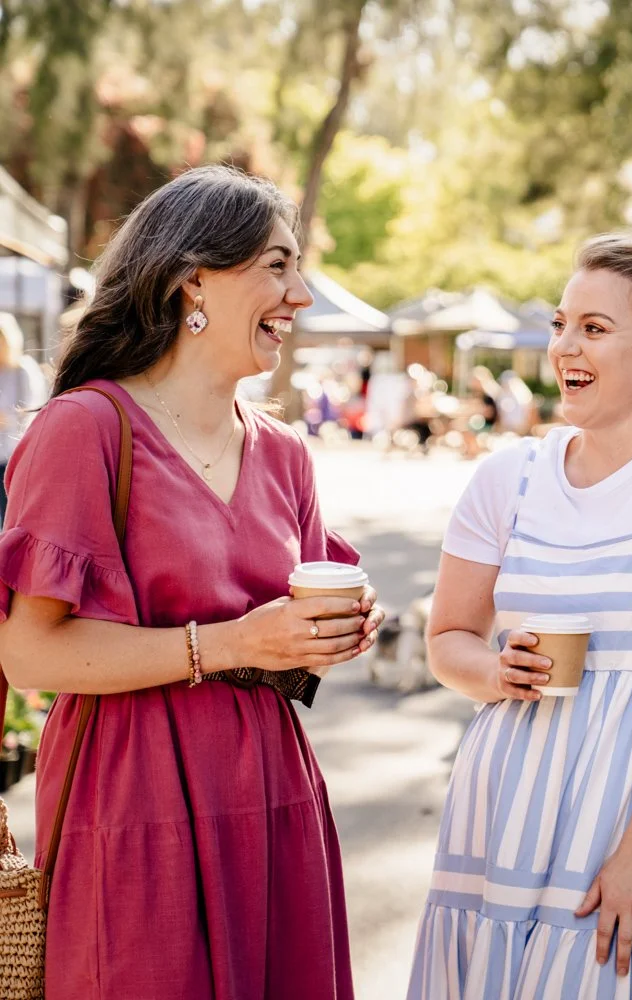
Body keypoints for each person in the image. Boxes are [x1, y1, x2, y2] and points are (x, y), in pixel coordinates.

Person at [0, 165, 386, 999]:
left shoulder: (284, 450)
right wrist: (232, 643)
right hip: (132, 795)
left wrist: (334, 632)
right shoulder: (86, 430)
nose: (303, 296)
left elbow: (289, 635)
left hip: (276, 793)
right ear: (192, 280)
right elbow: (30, 655)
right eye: (278, 267)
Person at [408, 229, 632, 998]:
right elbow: (448, 639)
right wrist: (495, 670)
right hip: (503, 814)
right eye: (561, 324)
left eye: (595, 328)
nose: (566, 347)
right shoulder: (506, 478)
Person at [0, 311, 48, 522]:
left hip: (16, 450)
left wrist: (8, 418)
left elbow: (33, 408)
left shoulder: (24, 370)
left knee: (12, 511)